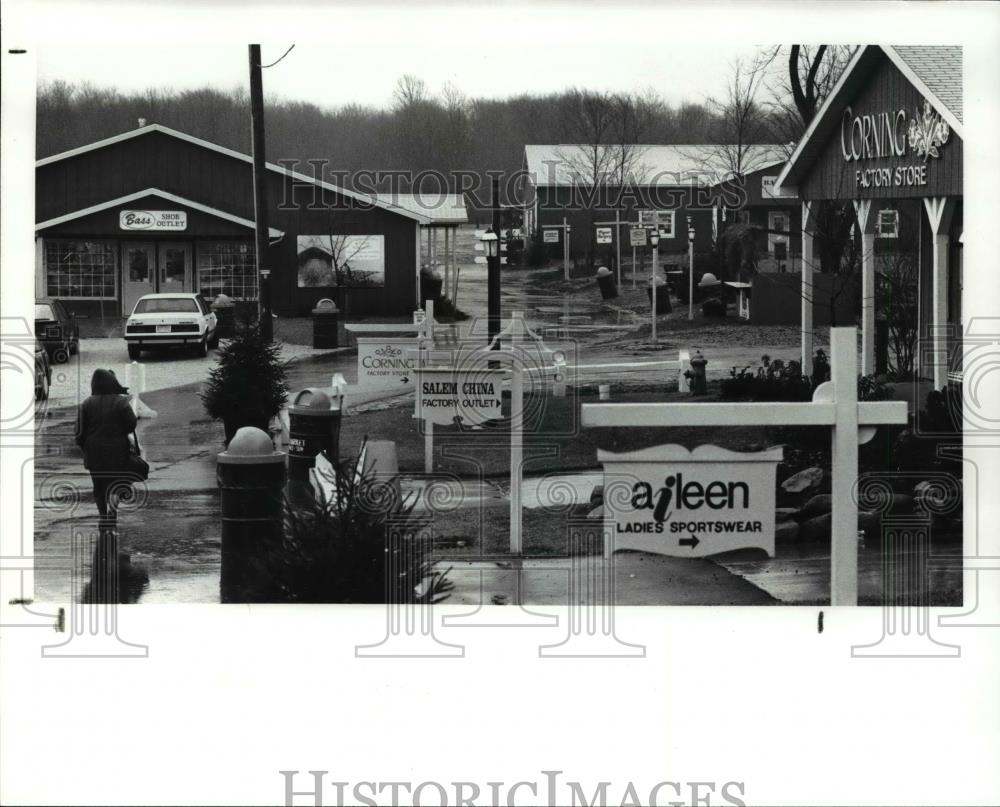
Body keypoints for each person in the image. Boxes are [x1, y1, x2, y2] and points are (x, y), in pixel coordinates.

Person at [75, 369, 138, 602]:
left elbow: (78, 433)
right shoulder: (120, 403)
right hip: (117, 453)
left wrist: (87, 446)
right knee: (115, 484)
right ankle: (112, 511)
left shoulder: (86, 404)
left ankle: (104, 514)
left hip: (94, 453)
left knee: (98, 486)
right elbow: (131, 425)